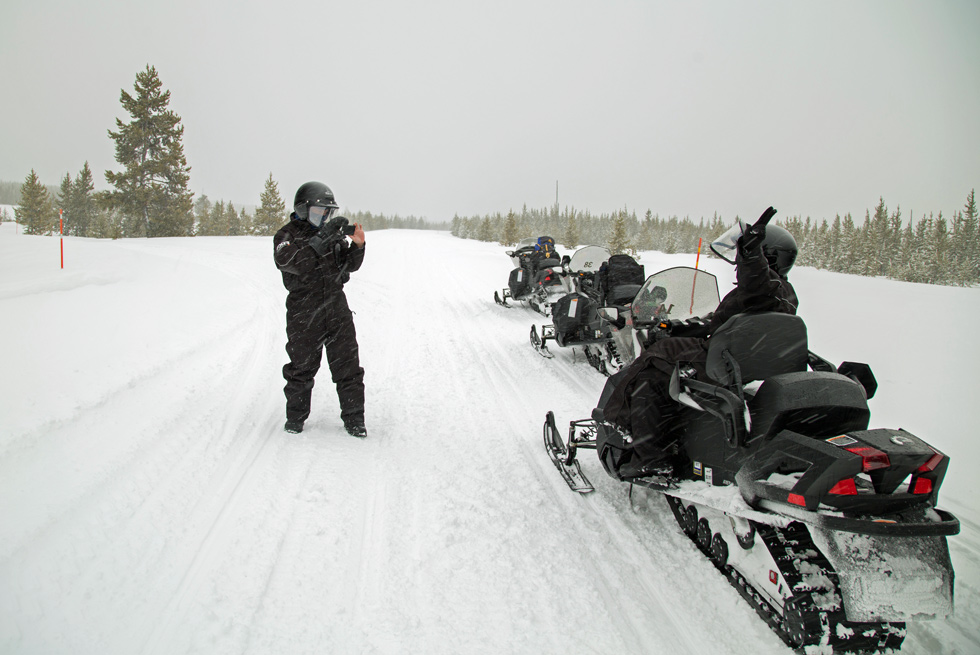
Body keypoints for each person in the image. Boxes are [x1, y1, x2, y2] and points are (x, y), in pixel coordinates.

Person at [597, 207, 799, 478]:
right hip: (736, 357)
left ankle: (645, 449)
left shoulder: (769, 288)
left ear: (767, 257)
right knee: (667, 352)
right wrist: (683, 328)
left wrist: (751, 255)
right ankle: (661, 433)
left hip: (727, 361)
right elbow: (725, 323)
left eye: (743, 256)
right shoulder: (781, 293)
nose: (737, 263)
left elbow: (758, 286)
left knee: (653, 366)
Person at [273, 181, 367, 437]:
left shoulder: (331, 234)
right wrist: (321, 239)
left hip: (337, 310)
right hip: (304, 313)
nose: (324, 217)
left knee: (349, 368)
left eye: (328, 212)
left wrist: (357, 246)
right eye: (319, 212)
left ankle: (354, 420)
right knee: (301, 369)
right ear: (303, 210)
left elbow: (348, 266)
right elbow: (293, 262)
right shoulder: (286, 236)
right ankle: (295, 419)